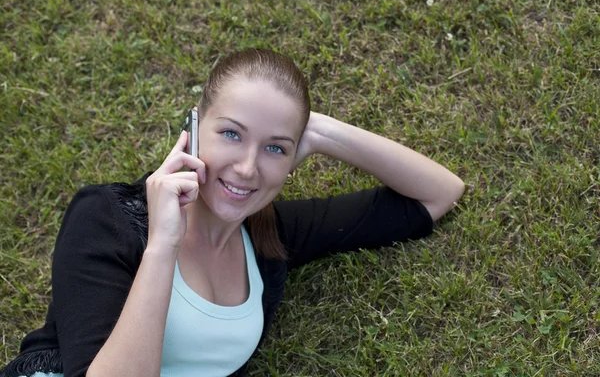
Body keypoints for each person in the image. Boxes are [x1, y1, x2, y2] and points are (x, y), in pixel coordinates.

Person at [1, 48, 465, 377]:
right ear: (194, 126)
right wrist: (163, 245)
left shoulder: (270, 237)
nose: (247, 168)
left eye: (275, 147)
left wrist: (319, 131)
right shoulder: (106, 218)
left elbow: (438, 194)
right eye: (231, 134)